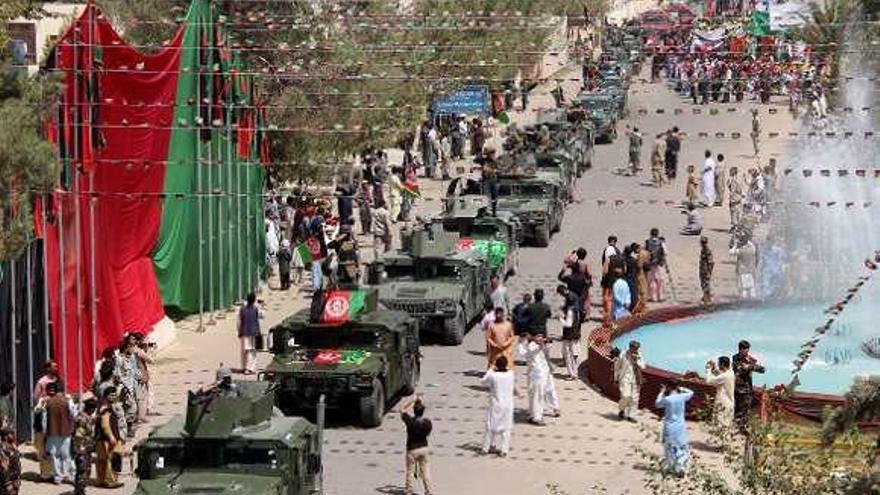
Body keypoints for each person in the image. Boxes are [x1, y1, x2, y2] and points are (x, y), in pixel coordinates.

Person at [655, 380, 695, 476]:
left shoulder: (668, 399)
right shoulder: (682, 397)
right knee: (681, 445)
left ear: (668, 387)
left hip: (669, 426)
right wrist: (680, 388)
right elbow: (691, 392)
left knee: (668, 446)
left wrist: (661, 392)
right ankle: (681, 465)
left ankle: (671, 466)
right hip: (680, 425)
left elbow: (657, 404)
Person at [518, 334, 559, 425]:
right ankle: (537, 417)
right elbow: (529, 351)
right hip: (537, 375)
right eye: (538, 336)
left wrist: (543, 344)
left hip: (539, 374)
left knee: (535, 396)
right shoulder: (531, 346)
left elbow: (546, 350)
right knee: (538, 396)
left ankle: (532, 415)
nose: (541, 338)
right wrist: (540, 344)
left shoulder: (534, 346)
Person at [40, 381, 75, 484]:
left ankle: (57, 477)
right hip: (66, 431)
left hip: (52, 432)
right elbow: (73, 414)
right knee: (66, 454)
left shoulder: (49, 402)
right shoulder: (68, 401)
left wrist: (45, 432)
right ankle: (67, 475)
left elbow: (44, 420)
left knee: (55, 455)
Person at [480, 356, 515, 457]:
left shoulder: (493, 376)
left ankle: (486, 448)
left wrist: (490, 370)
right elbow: (510, 370)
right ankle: (504, 450)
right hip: (508, 405)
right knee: (506, 428)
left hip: (496, 405)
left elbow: (483, 382)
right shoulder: (511, 374)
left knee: (490, 426)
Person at [401, 399, 433, 495]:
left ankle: (409, 490)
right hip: (424, 448)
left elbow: (402, 409)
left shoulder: (410, 421)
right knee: (425, 471)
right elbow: (428, 434)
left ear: (414, 411)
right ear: (423, 411)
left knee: (410, 471)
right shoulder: (427, 423)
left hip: (412, 449)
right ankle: (428, 491)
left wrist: (412, 400)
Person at [33, 361, 58, 481]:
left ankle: (54, 473)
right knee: (43, 449)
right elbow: (36, 398)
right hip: (42, 421)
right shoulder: (41, 382)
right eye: (54, 366)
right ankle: (45, 474)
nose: (56, 368)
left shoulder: (57, 380)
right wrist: (44, 402)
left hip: (55, 423)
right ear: (48, 368)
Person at [95, 387, 124, 489]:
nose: (114, 397)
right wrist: (111, 437)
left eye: (114, 395)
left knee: (101, 460)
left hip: (101, 439)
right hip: (106, 439)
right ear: (105, 396)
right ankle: (110, 481)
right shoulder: (105, 409)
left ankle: (100, 480)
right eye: (111, 395)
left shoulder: (103, 407)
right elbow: (105, 425)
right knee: (109, 460)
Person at [733, 340, 765, 430]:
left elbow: (762, 370)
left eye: (748, 350)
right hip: (736, 388)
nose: (747, 352)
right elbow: (736, 368)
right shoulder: (735, 358)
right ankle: (737, 428)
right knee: (737, 409)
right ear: (740, 349)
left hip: (746, 389)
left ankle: (743, 428)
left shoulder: (750, 359)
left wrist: (750, 367)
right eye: (745, 350)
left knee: (745, 410)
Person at [613, 340, 644, 422]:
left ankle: (631, 415)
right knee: (625, 395)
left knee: (634, 398)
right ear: (630, 347)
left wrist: (636, 361)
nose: (635, 350)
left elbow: (643, 366)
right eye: (634, 348)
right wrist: (616, 378)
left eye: (637, 349)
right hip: (625, 378)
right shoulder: (623, 354)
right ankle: (622, 409)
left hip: (636, 378)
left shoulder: (639, 355)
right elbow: (617, 366)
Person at [72, 397, 97, 495]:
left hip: (85, 449)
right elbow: (79, 435)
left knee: (84, 471)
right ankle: (80, 491)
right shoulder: (83, 418)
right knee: (82, 471)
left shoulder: (85, 417)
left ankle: (79, 490)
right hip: (82, 449)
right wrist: (81, 450)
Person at [705, 356, 735, 432]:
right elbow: (720, 373)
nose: (718, 365)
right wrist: (714, 367)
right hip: (730, 402)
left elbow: (709, 381)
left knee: (721, 424)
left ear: (722, 365)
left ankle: (722, 443)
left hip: (722, 403)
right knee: (727, 424)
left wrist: (708, 369)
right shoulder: (731, 373)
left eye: (719, 364)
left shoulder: (724, 376)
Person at [558, 289, 581, 379]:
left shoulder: (570, 311)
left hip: (569, 335)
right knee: (573, 354)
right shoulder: (577, 310)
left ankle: (572, 374)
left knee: (567, 354)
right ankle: (575, 372)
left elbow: (568, 324)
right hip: (575, 334)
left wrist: (560, 319)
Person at [238, 292, 262, 375]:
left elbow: (239, 322)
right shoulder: (255, 309)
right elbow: (260, 317)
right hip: (254, 332)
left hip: (244, 332)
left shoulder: (242, 309)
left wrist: (239, 331)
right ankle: (249, 368)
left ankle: (244, 367)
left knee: (245, 351)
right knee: (252, 351)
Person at [645, 228, 666, 302]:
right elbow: (665, 252)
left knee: (652, 281)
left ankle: (653, 297)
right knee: (660, 280)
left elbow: (646, 252)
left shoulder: (647, 242)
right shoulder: (661, 242)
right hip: (659, 264)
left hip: (651, 264)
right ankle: (660, 296)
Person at [0, 428, 21, 495]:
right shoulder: (2, 451)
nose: (14, 435)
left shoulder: (13, 447)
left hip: (14, 482)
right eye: (11, 433)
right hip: (6, 484)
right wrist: (8, 484)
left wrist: (17, 480)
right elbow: (4, 468)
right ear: (6, 437)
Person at [727, 166, 744, 231]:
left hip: (734, 198)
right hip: (739, 198)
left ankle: (735, 226)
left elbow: (732, 191)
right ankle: (738, 227)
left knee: (733, 213)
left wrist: (731, 199)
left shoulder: (733, 180)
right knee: (738, 213)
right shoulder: (740, 179)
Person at [699, 236, 714, 305]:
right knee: (703, 283)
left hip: (706, 270)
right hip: (702, 269)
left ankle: (707, 298)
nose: (701, 243)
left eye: (702, 242)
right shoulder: (703, 250)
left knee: (706, 284)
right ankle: (705, 296)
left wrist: (709, 272)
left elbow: (711, 262)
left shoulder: (707, 251)